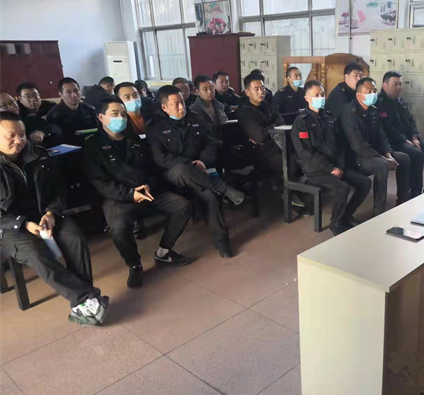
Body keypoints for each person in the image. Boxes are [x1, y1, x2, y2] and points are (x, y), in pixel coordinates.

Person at [0, 112, 109, 325]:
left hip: (44, 214)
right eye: (11, 136)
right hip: (10, 225)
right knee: (35, 250)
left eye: (22, 134)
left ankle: (83, 305)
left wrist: (51, 212)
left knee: (74, 237)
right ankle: (87, 298)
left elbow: (58, 190)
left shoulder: (39, 155)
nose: (19, 140)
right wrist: (24, 224)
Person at [86, 97, 194, 288]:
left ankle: (164, 252)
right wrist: (130, 194)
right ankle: (134, 265)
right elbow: (100, 182)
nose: (121, 118)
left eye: (123, 114)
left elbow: (150, 167)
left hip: (146, 190)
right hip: (118, 197)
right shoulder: (92, 145)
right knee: (119, 226)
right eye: (115, 114)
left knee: (181, 206)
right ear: (101, 117)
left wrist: (148, 185)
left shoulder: (133, 138)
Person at [147, 86, 245, 258]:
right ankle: (220, 186)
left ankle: (222, 241)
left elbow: (212, 142)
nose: (181, 107)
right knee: (181, 169)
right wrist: (189, 164)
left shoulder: (195, 118)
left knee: (210, 197)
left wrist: (202, 161)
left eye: (182, 102)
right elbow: (160, 159)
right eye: (176, 104)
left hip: (200, 173)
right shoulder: (155, 128)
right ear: (164, 107)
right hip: (173, 176)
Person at [291, 80, 371, 235]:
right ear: (307, 98)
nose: (321, 98)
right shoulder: (301, 122)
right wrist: (330, 168)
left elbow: (339, 145)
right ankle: (336, 223)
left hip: (335, 166)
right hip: (315, 170)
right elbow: (305, 153)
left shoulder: (328, 118)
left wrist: (339, 165)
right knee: (342, 188)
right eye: (316, 95)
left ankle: (346, 216)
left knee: (365, 183)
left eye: (322, 94)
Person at [339, 78, 410, 215]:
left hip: (373, 152)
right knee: (382, 165)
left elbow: (381, 135)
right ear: (359, 95)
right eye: (369, 91)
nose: (373, 94)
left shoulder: (373, 110)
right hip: (355, 157)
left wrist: (388, 154)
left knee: (404, 158)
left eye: (374, 91)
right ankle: (379, 211)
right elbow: (358, 145)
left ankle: (403, 199)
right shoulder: (350, 113)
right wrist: (383, 159)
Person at [377, 71, 424, 197]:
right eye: (395, 84)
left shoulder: (400, 101)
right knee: (417, 154)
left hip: (409, 140)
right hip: (393, 143)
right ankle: (415, 193)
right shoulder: (379, 103)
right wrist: (404, 140)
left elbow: (411, 120)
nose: (399, 87)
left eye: (400, 84)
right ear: (385, 85)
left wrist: (414, 136)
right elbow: (387, 128)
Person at [237, 73, 285, 176]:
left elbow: (281, 122)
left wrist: (269, 129)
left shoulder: (266, 105)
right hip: (258, 153)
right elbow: (260, 137)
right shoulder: (245, 112)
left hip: (273, 146)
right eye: (256, 89)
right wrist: (274, 128)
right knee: (289, 163)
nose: (261, 92)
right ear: (247, 92)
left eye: (262, 88)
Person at [46, 77, 96, 144]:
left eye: (76, 91)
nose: (74, 95)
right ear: (61, 94)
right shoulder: (54, 115)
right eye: (68, 92)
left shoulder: (89, 109)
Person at [15, 82, 60, 146]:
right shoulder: (18, 113)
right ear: (20, 99)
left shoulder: (50, 106)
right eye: (28, 96)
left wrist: (43, 132)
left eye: (35, 95)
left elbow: (58, 125)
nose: (33, 99)